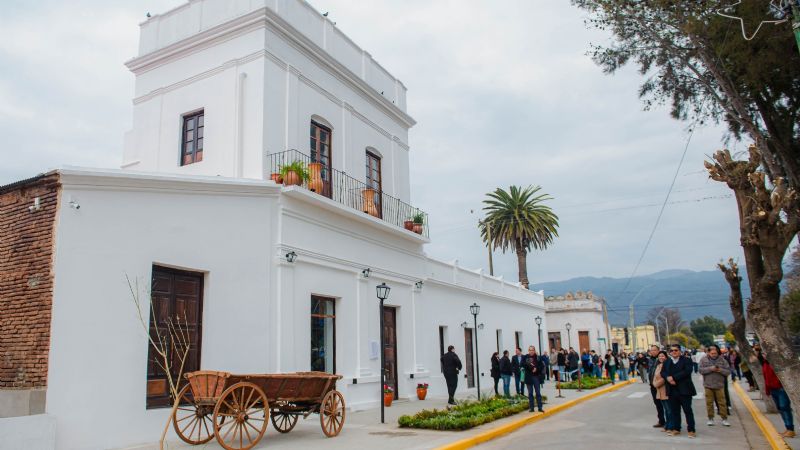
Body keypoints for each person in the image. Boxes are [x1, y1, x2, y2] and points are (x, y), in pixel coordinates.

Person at [662, 344, 697, 438]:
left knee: (687, 411)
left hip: (684, 390)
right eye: (672, 350)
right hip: (672, 390)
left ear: (680, 351)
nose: (674, 352)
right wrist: (667, 378)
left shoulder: (686, 360)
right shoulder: (667, 361)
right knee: (675, 411)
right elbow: (663, 372)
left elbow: (687, 371)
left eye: (676, 350)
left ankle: (691, 430)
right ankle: (676, 428)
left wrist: (673, 378)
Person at [761, 351, 795, 438]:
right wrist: (767, 390)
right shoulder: (765, 364)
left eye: (765, 353)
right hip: (773, 389)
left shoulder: (776, 363)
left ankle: (790, 429)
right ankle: (787, 429)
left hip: (780, 388)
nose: (763, 355)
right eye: (763, 354)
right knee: (781, 409)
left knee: (785, 408)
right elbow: (766, 378)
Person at [699, 344, 731, 427]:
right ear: (708, 353)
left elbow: (728, 371)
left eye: (715, 353)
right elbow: (700, 370)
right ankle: (710, 418)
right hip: (708, 385)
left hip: (719, 385)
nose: (714, 355)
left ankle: (724, 419)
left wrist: (720, 370)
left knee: (722, 403)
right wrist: (710, 369)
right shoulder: (703, 360)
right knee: (709, 403)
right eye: (712, 353)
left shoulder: (722, 360)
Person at [652, 350, 672, 433]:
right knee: (665, 409)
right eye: (659, 356)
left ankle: (670, 426)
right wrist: (654, 384)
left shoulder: (668, 365)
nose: (661, 357)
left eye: (663, 356)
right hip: (659, 390)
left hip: (665, 389)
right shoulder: (658, 365)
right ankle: (667, 425)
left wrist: (656, 384)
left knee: (669, 409)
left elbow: (665, 377)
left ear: (666, 357)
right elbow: (654, 377)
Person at [646, 345, 666, 428]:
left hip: (661, 385)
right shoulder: (650, 359)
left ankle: (670, 422)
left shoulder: (661, 359)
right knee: (657, 404)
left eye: (654, 350)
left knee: (665, 404)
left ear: (658, 351)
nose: (652, 352)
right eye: (651, 350)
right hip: (653, 385)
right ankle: (661, 420)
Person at [522, 345, 545, 413]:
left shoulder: (538, 357)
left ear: (534, 351)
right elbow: (522, 365)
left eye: (532, 350)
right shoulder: (525, 357)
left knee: (538, 393)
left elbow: (542, 366)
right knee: (530, 393)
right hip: (529, 377)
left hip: (536, 377)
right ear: (528, 351)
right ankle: (531, 408)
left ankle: (540, 407)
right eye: (530, 350)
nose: (531, 351)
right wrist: (530, 367)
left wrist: (536, 369)